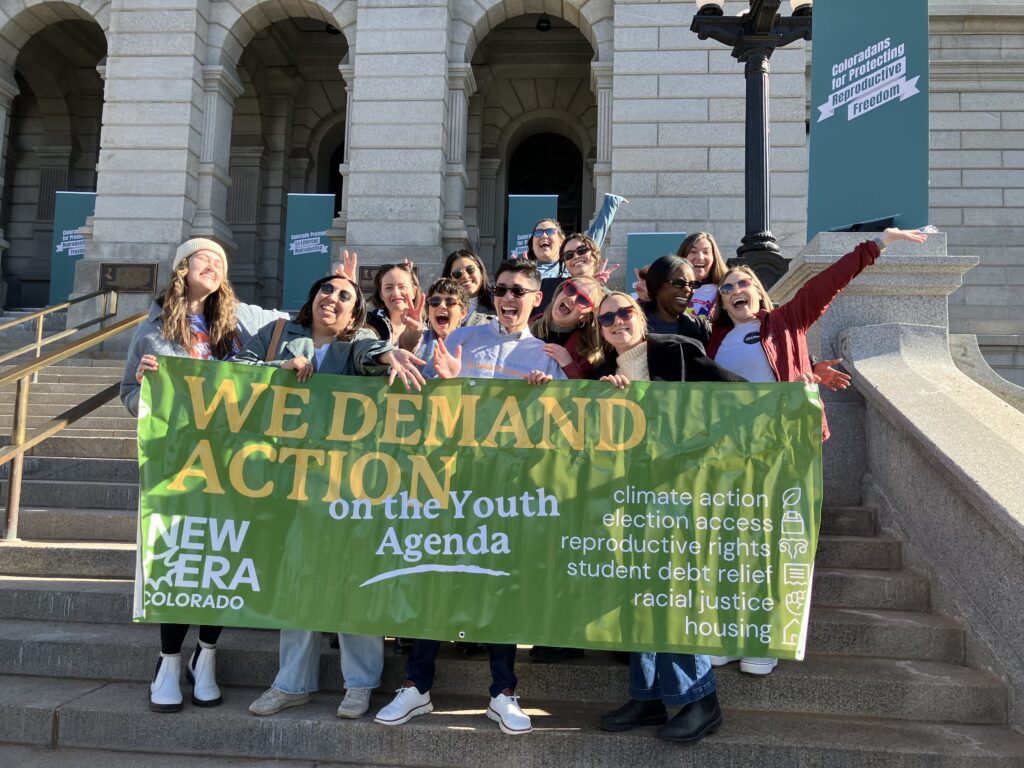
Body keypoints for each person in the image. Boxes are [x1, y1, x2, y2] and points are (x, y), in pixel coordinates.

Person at [706, 227, 928, 675]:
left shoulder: (784, 322)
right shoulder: (716, 341)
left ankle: (763, 640)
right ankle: (731, 636)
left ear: (759, 293)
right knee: (733, 547)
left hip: (782, 450)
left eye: (742, 283)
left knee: (770, 546)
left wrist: (877, 244)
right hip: (732, 455)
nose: (734, 291)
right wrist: (810, 368)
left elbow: (825, 285)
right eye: (727, 287)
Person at [374, 260, 563, 737]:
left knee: (501, 585)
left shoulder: (547, 354)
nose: (508, 297)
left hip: (509, 494)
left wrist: (547, 395)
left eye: (519, 291)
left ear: (535, 298)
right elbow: (421, 402)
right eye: (501, 289)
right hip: (451, 486)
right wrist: (451, 381)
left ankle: (503, 692)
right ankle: (417, 686)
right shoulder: (460, 340)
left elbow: (566, 427)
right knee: (434, 578)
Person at [237, 273, 424, 719]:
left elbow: (371, 355)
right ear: (312, 296)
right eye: (326, 289)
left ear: (355, 312)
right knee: (295, 578)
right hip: (285, 480)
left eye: (346, 295)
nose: (333, 298)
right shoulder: (278, 334)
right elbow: (233, 373)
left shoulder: (355, 344)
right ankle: (291, 683)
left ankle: (359, 684)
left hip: (347, 483)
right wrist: (277, 370)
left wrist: (390, 350)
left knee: (354, 577)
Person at [121, 237, 288, 713]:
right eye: (204, 258)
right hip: (177, 462)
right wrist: (144, 388)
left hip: (230, 463)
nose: (213, 266)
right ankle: (169, 660)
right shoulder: (150, 329)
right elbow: (130, 399)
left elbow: (266, 362)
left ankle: (208, 654)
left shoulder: (236, 326)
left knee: (224, 553)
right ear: (182, 268)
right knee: (181, 554)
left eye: (220, 261)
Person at [592, 291, 744, 744]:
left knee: (674, 593)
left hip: (678, 495)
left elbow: (735, 392)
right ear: (599, 329)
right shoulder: (603, 376)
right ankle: (648, 696)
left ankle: (702, 701)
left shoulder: (676, 351)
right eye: (606, 318)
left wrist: (800, 388)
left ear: (639, 316)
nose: (617, 321)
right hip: (628, 500)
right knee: (638, 595)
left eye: (624, 312)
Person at [525, 193, 627, 281]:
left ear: (561, 242)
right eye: (538, 232)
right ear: (532, 245)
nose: (544, 235)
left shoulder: (571, 264)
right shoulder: (524, 271)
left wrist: (594, 284)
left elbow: (593, 239)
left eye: (550, 231)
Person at [529, 277, 605, 381]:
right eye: (571, 289)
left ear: (588, 317)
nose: (572, 298)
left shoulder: (588, 354)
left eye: (583, 300)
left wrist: (569, 365)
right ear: (559, 292)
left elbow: (582, 393)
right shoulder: (525, 326)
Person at [366, 262, 421, 350]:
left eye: (402, 287)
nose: (396, 293)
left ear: (414, 292)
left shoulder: (429, 327)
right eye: (389, 288)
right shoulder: (367, 323)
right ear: (381, 294)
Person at [676, 232, 728, 318]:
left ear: (714, 258)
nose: (700, 257)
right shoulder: (671, 289)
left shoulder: (725, 290)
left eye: (706, 252)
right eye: (693, 251)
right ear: (683, 256)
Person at [442, 249, 494, 326]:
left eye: (470, 269)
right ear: (449, 278)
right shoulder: (439, 306)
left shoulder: (497, 303)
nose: (465, 276)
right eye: (457, 273)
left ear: (481, 272)